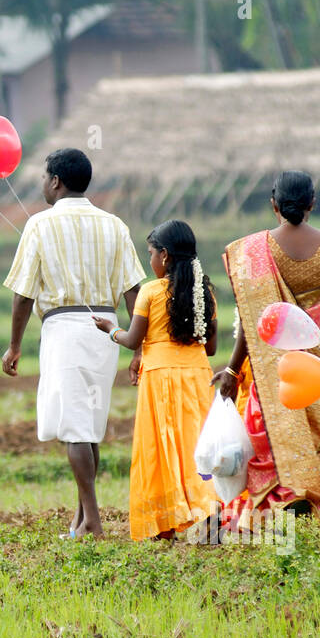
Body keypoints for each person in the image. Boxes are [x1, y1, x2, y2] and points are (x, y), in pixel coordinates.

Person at [2, 149, 146, 539]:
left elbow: (22, 296)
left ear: (55, 181)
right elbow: (135, 289)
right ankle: (81, 521)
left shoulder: (38, 225)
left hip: (64, 329)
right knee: (87, 424)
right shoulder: (114, 225)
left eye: (44, 177)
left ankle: (95, 524)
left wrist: (14, 346)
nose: (41, 184)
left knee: (77, 427)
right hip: (107, 330)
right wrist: (138, 344)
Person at [213, 171, 320, 530]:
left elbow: (248, 320)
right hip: (319, 367)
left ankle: (267, 519)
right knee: (313, 439)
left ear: (273, 204)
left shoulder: (253, 252)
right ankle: (302, 513)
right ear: (312, 203)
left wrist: (231, 369)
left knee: (269, 440)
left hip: (272, 368)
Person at [92, 220, 221, 541]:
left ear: (164, 256)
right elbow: (212, 346)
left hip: (159, 378)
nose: (149, 260)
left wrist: (110, 329)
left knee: (160, 448)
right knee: (198, 445)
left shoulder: (150, 291)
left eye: (150, 253)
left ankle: (163, 525)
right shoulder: (204, 292)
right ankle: (210, 512)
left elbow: (133, 340)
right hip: (197, 377)